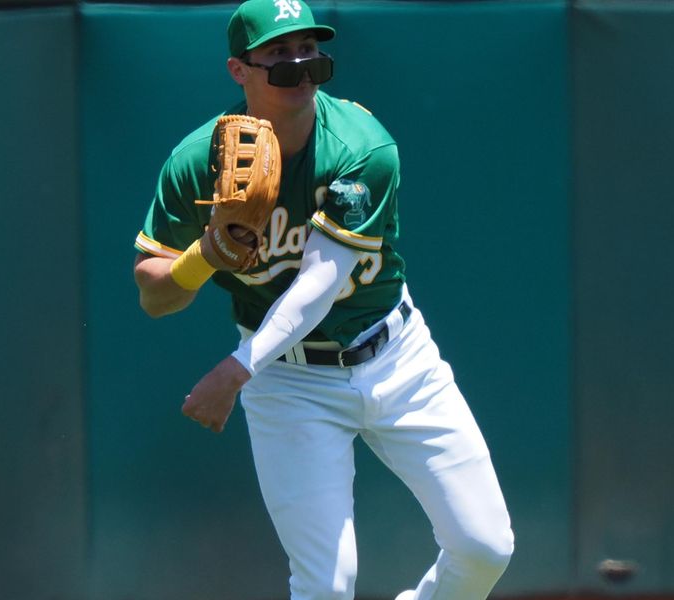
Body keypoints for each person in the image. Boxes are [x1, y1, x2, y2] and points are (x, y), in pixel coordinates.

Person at [132, 1, 514, 598]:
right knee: (327, 585)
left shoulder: (362, 145)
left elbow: (318, 284)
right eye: (280, 54)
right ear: (240, 71)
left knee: (485, 547)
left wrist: (235, 371)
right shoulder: (199, 162)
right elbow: (155, 297)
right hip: (291, 384)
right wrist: (204, 254)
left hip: (396, 358)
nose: (300, 65)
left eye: (310, 51)